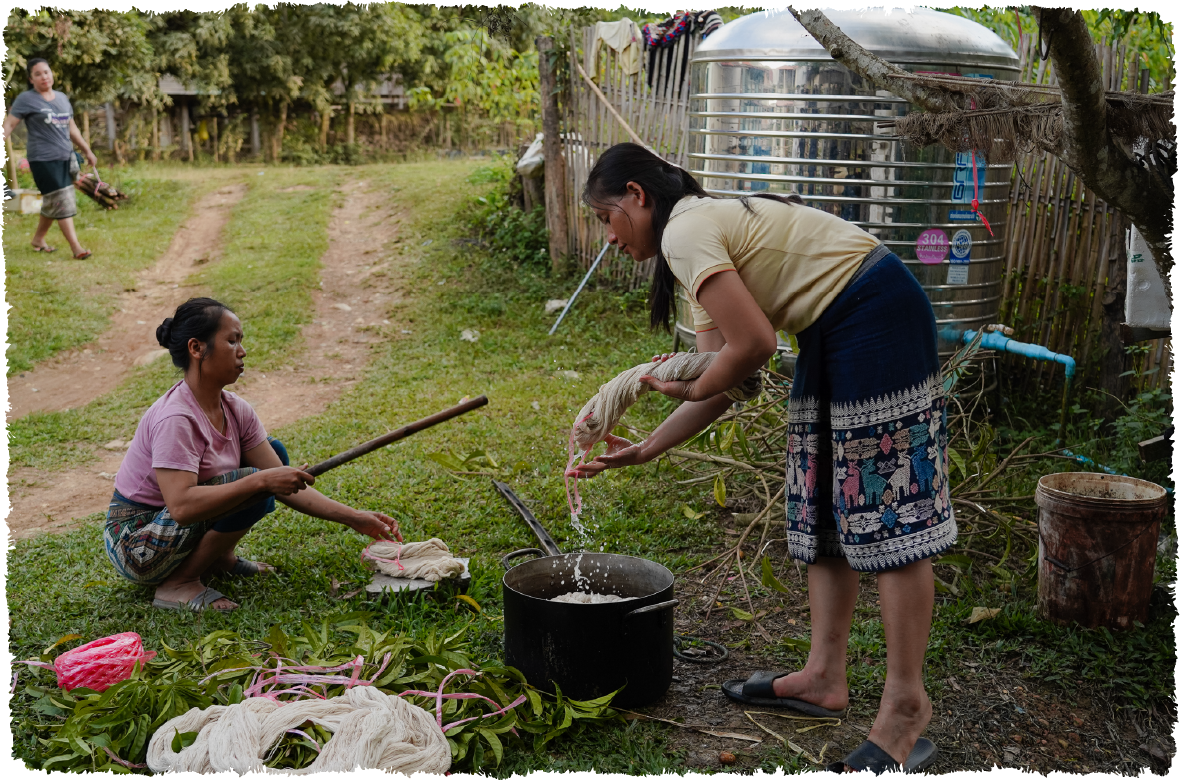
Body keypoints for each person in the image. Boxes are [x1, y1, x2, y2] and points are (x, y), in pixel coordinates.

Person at [568, 143, 955, 775]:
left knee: (891, 515)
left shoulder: (688, 231)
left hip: (875, 312)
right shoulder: (696, 243)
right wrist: (649, 447)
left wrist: (691, 384)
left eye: (606, 219)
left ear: (637, 196)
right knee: (823, 506)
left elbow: (751, 347)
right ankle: (825, 678)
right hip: (833, 328)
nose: (609, 238)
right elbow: (731, 379)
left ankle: (907, 708)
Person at [106, 297, 401, 612]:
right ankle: (178, 584)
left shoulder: (235, 408)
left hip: (171, 530)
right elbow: (180, 507)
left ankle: (219, 559)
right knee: (256, 481)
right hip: (137, 544)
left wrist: (354, 518)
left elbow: (285, 487)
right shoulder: (176, 418)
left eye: (240, 341)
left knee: (272, 457)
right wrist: (262, 482)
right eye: (232, 341)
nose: (242, 351)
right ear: (196, 348)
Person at [2, 57, 97, 258]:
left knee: (53, 200)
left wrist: (87, 150)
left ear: (51, 74)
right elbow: (10, 124)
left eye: (46, 72)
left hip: (65, 157)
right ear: (31, 79)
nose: (44, 77)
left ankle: (38, 239)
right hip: (42, 160)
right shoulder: (26, 99)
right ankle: (76, 248)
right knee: (62, 199)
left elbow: (71, 128)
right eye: (38, 74)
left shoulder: (62, 98)